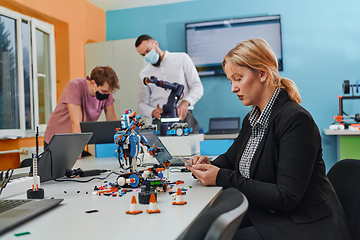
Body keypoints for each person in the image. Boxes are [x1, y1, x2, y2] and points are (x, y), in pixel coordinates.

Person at [186, 39, 351, 240]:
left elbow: (285, 196)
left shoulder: (295, 120)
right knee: (201, 229)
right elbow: (231, 159)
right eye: (231, 81)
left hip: (305, 225)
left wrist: (220, 176)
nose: (233, 88)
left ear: (262, 74)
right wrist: (207, 165)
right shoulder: (252, 118)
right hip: (272, 216)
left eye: (238, 79)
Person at [135, 34, 203, 133]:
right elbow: (141, 103)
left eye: (148, 51)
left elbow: (197, 87)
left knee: (189, 147)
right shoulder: (144, 74)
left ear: (156, 44)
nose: (147, 56)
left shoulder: (182, 58)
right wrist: (152, 112)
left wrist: (185, 102)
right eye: (143, 55)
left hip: (183, 116)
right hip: (160, 120)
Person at [44, 66, 120, 150]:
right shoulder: (75, 86)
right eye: (104, 91)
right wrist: (77, 153)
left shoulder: (106, 92)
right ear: (93, 83)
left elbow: (112, 120)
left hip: (76, 138)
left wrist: (119, 146)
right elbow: (76, 123)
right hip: (58, 139)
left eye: (109, 92)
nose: (106, 94)